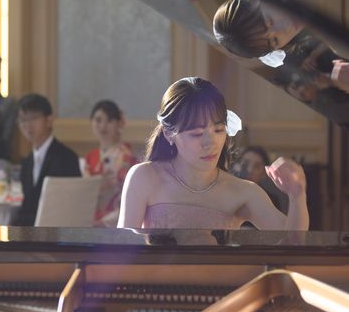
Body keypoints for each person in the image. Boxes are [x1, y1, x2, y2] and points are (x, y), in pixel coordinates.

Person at [117, 77, 309, 230]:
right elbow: (121, 250)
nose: (211, 143)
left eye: (218, 130)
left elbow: (293, 244)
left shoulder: (242, 191)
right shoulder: (145, 177)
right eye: (197, 134)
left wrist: (297, 196)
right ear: (169, 134)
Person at [15, 93, 81, 226]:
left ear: (49, 120)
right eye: (23, 119)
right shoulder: (27, 162)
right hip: (30, 233)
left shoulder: (66, 158)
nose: (27, 125)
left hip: (56, 231)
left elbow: (71, 207)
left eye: (33, 118)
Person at [84, 100, 137, 226]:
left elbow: (130, 199)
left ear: (118, 123)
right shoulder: (90, 157)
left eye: (109, 120)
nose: (103, 126)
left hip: (115, 221)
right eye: (98, 120)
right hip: (89, 219)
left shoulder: (127, 157)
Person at [231, 146, 288, 214]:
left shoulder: (270, 202)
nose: (250, 170)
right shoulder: (227, 191)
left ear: (264, 173)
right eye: (245, 163)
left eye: (257, 167)